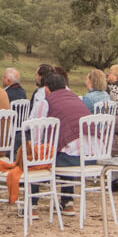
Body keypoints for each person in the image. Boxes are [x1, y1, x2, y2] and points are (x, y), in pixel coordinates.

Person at [31, 72, 89, 211]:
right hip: (93, 158)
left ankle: (31, 205)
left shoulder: (46, 103)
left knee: (34, 157)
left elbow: (36, 135)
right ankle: (68, 202)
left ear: (46, 88)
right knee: (64, 149)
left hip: (73, 159)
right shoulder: (77, 99)